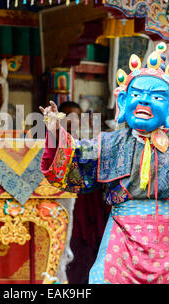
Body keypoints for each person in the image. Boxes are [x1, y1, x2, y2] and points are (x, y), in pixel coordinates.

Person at [39, 42, 169, 284]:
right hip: (123, 235)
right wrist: (55, 133)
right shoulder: (110, 143)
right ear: (124, 103)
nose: (144, 101)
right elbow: (78, 158)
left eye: (156, 96)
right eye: (137, 95)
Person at [56, 101, 111, 284]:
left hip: (86, 212)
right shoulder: (50, 143)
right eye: (67, 117)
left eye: (76, 117)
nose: (72, 121)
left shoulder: (86, 145)